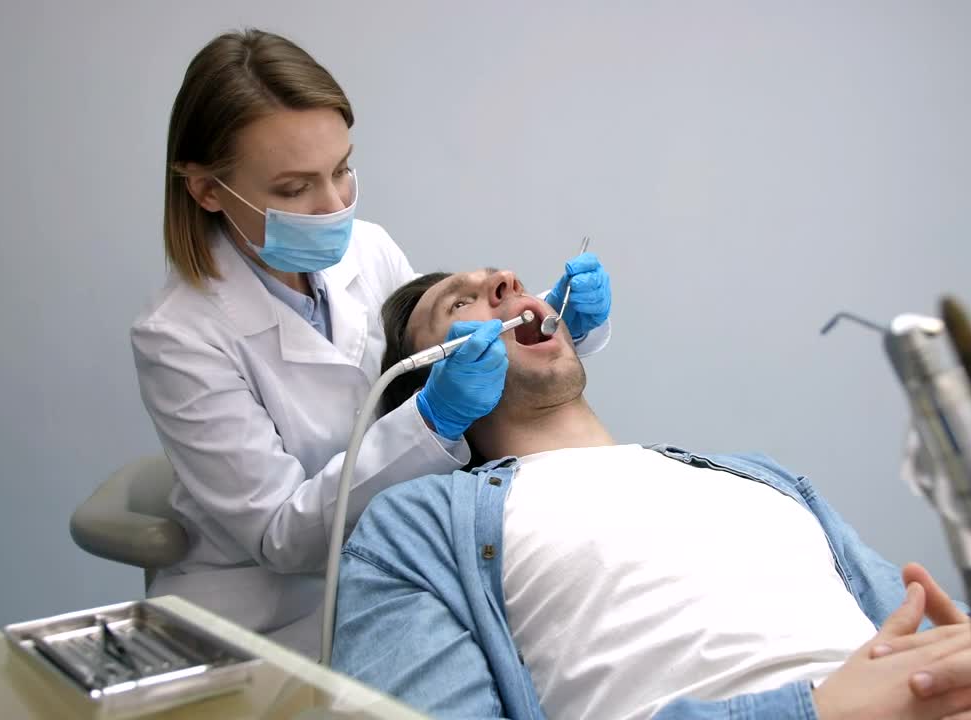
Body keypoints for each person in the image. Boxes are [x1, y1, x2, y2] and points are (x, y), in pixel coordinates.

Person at [330, 268, 971, 720]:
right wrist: (814, 713)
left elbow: (921, 656)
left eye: (508, 277)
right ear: (433, 376)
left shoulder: (755, 478)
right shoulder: (417, 528)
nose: (506, 283)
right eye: (460, 304)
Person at [130, 29, 613, 657]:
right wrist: (430, 420)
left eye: (342, 169)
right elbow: (282, 536)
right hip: (266, 624)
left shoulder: (369, 248)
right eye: (294, 188)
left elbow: (425, 347)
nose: (336, 206)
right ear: (208, 190)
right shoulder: (179, 335)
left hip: (399, 577)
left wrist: (553, 332)